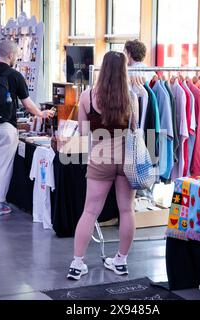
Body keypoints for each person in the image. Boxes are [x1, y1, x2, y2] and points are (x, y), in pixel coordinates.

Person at [67, 51, 139, 281]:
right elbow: (135, 130)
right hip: (126, 157)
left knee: (90, 211)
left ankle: (77, 264)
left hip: (100, 156)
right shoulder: (132, 97)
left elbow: (84, 132)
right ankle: (120, 261)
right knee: (126, 210)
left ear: (103, 68)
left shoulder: (88, 96)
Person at [0, 39, 55, 216]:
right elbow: (28, 105)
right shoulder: (15, 76)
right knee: (4, 166)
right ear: (11, 55)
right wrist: (41, 114)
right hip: (7, 127)